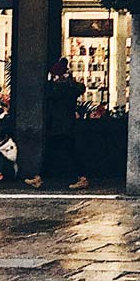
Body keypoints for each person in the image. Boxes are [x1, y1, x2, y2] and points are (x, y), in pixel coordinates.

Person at [27, 59, 88, 190]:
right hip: (65, 124)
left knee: (67, 152)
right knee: (57, 151)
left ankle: (81, 177)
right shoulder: (70, 86)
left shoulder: (60, 88)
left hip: (61, 125)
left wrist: (51, 81)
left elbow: (49, 94)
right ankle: (40, 177)